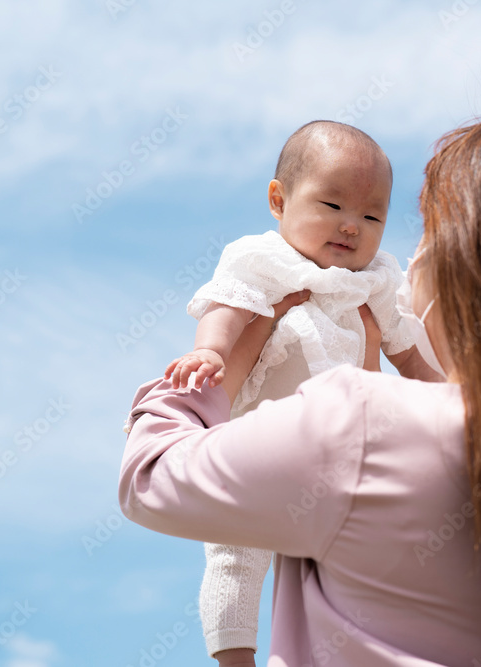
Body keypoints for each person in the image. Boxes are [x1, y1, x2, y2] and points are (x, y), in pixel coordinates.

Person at [120, 106, 481, 667]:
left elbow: (148, 479)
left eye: (426, 231)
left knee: (233, 557)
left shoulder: (358, 423)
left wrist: (228, 367)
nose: (410, 255)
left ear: (472, 265)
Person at [160, 120, 438, 663]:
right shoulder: (264, 262)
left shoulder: (376, 280)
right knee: (235, 554)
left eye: (372, 215)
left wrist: (449, 395)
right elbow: (229, 309)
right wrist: (211, 353)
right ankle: (235, 659)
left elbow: (409, 356)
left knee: (356, 559)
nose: (351, 226)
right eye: (332, 205)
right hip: (261, 441)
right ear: (278, 200)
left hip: (343, 454)